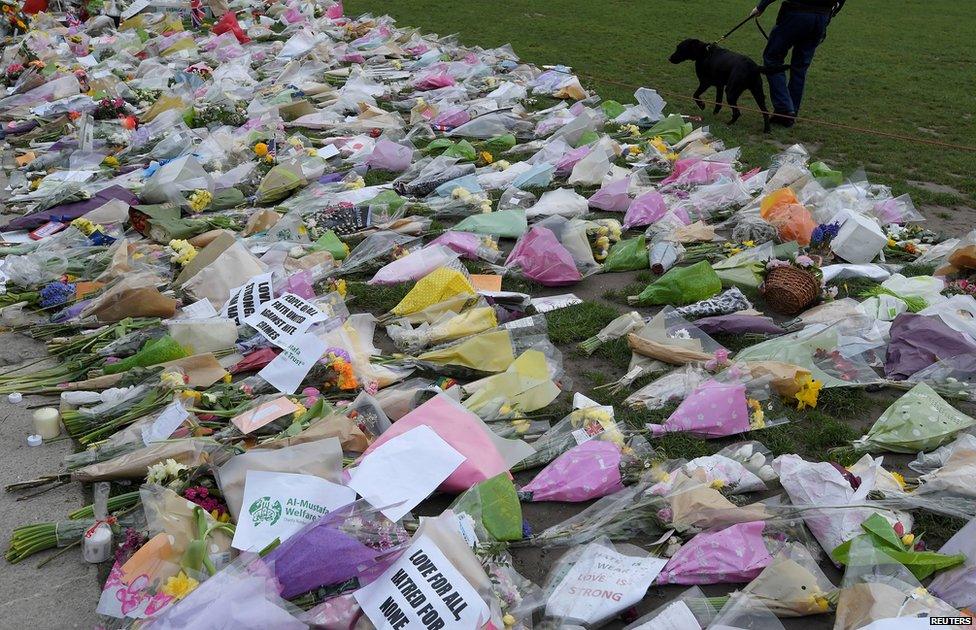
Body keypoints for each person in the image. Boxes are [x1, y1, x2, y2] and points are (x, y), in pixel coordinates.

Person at [749, 0, 845, 127]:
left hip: (797, 14)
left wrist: (761, 6)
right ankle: (790, 112)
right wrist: (830, 13)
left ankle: (784, 109)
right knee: (800, 67)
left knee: (772, 58)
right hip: (821, 17)